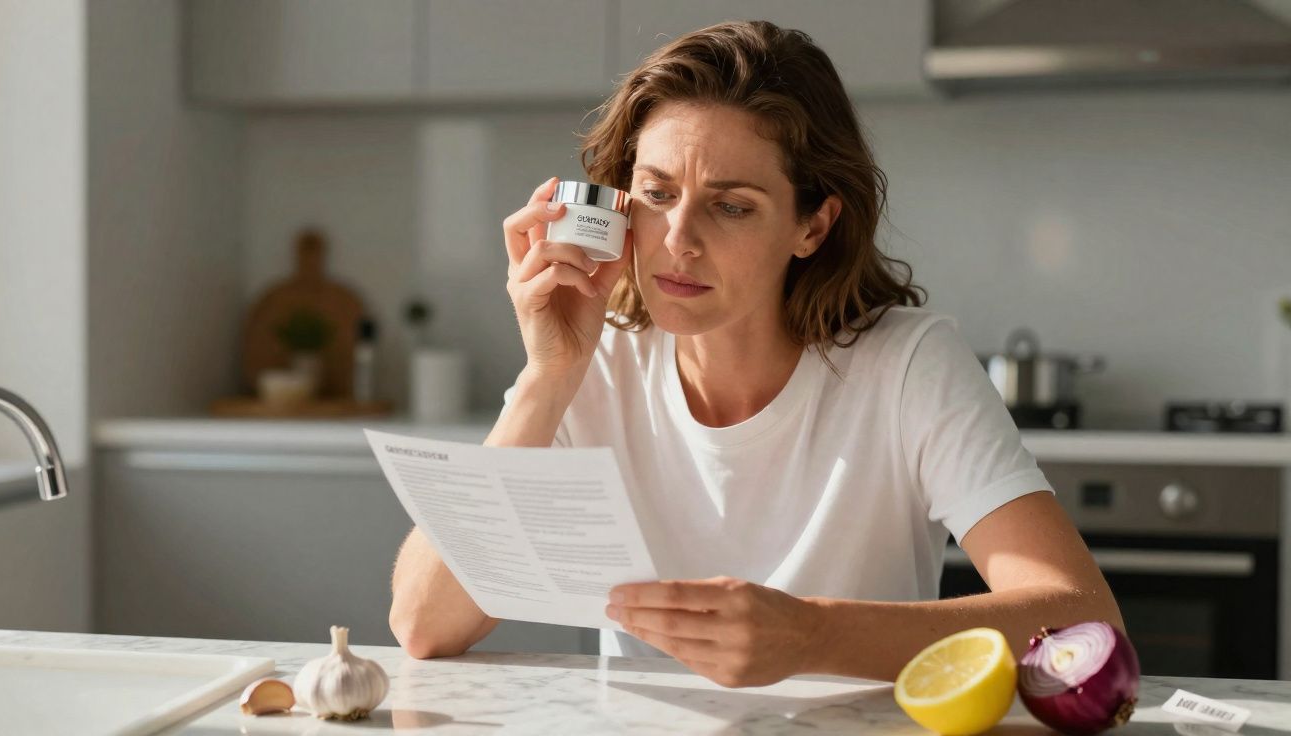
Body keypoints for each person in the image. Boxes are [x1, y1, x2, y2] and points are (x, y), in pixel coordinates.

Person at [389, 20, 1123, 688]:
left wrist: (813, 634)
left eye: (731, 204)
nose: (678, 237)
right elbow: (423, 625)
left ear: (813, 225)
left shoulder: (908, 367)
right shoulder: (597, 364)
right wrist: (547, 375)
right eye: (655, 193)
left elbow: (1085, 624)